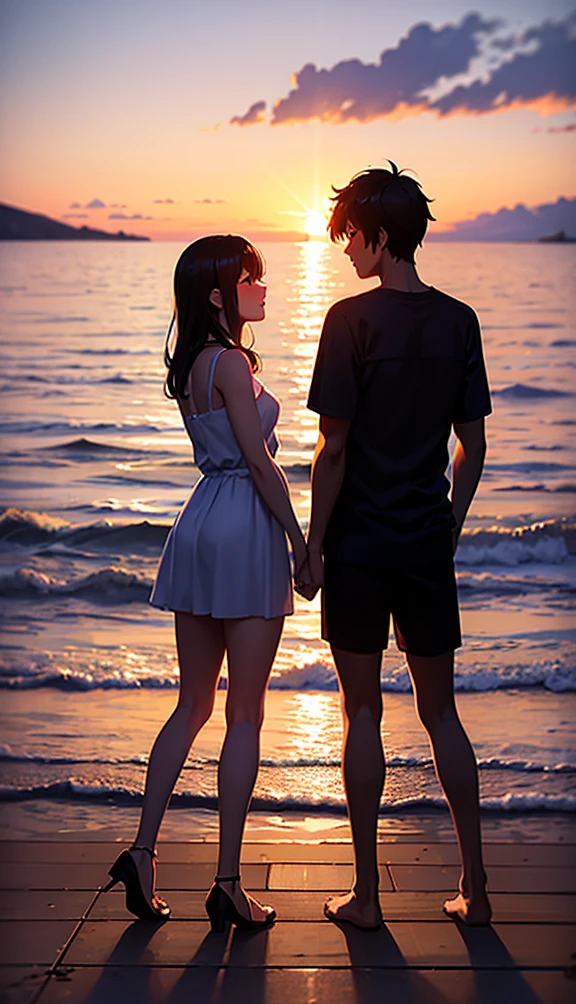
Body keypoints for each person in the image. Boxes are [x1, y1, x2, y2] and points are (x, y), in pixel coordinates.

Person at [303, 163, 493, 929]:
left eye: (353, 234)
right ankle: (476, 893)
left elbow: (333, 450)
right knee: (441, 713)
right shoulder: (460, 320)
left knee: (361, 714)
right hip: (423, 545)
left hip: (357, 548)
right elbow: (471, 447)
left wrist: (313, 545)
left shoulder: (350, 321)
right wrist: (448, 522)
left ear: (381, 237)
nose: (347, 248)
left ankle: (368, 898)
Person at [106, 235, 309, 931]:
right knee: (243, 713)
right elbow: (259, 463)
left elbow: (230, 455)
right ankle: (227, 884)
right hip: (243, 525)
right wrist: (300, 540)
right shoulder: (228, 362)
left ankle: (141, 852)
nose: (263, 287)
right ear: (220, 295)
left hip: (197, 525)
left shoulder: (195, 364)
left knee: (191, 704)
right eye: (252, 278)